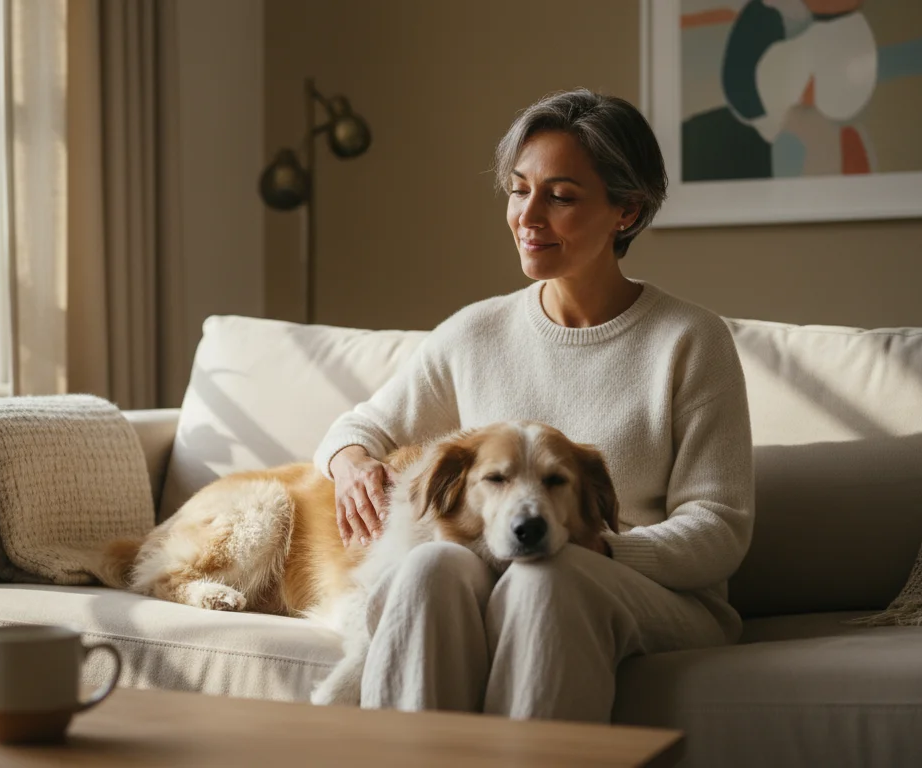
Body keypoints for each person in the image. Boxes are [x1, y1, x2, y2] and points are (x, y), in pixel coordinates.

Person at [311, 89, 755, 723]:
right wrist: (350, 463)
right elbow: (362, 427)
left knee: (549, 573)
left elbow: (719, 527)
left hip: (655, 592)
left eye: (561, 197)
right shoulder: (474, 332)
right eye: (520, 190)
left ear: (625, 211)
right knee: (433, 563)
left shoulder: (690, 341)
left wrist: (602, 549)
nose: (528, 216)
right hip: (505, 567)